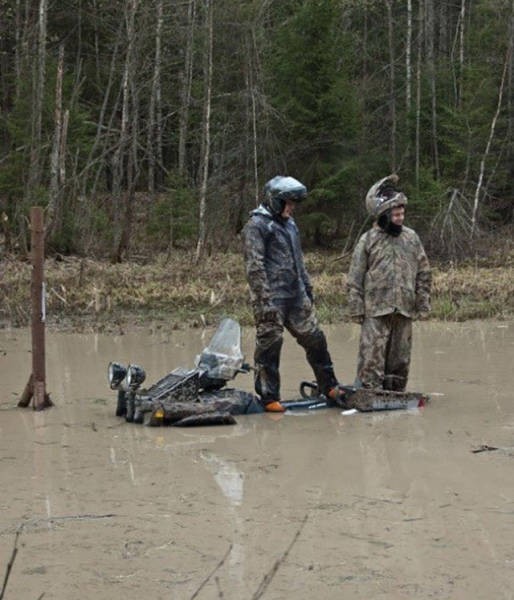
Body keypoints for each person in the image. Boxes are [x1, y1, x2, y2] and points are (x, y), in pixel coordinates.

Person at [242, 175, 345, 412]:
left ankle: (328, 385)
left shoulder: (290, 224)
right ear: (275, 201)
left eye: (293, 203)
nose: (291, 207)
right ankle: (269, 398)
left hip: (296, 295)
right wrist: (263, 300)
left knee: (315, 338)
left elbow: (299, 261)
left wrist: (307, 289)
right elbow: (254, 267)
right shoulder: (256, 226)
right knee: (270, 343)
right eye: (287, 203)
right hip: (271, 298)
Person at [347, 174, 431, 392]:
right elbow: (355, 277)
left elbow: (424, 272)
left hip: (404, 308)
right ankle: (369, 393)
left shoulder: (411, 238)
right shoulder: (369, 239)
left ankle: (395, 396)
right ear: (384, 215)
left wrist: (422, 303)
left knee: (400, 360)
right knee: (371, 360)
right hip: (375, 310)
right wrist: (356, 308)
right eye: (395, 214)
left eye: (402, 213)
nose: (400, 218)